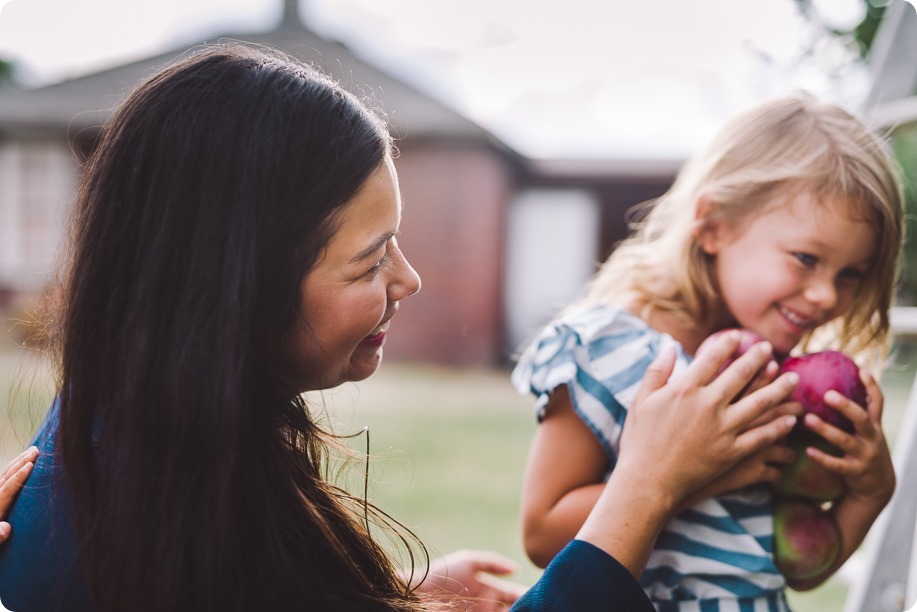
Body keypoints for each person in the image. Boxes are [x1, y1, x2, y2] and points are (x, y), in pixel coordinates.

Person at [0, 43, 801, 611]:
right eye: (368, 261)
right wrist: (647, 482)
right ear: (235, 291)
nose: (408, 279)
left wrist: (391, 596)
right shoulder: (118, 525)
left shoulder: (133, 463)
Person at [513, 93, 902, 610]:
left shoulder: (771, 377)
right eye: (806, 258)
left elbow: (797, 567)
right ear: (714, 225)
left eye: (851, 273)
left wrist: (869, 493)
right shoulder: (606, 349)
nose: (827, 295)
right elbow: (541, 534)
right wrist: (696, 477)